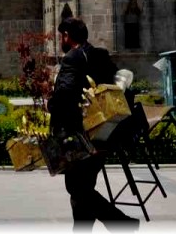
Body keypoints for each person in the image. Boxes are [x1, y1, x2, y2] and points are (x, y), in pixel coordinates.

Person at [48, 17, 138, 231]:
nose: (62, 40)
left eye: (63, 36)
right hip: (104, 133)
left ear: (67, 36)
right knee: (84, 186)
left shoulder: (73, 58)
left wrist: (51, 104)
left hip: (79, 136)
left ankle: (121, 223)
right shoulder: (101, 55)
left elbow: (65, 95)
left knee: (76, 186)